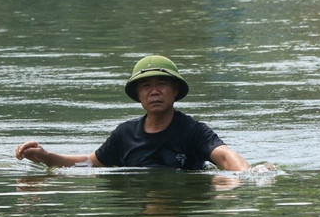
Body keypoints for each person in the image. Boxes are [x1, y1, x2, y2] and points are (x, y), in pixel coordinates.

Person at [15, 55, 250, 171]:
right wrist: (46, 156)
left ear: (175, 90)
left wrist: (246, 175)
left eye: (162, 84)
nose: (154, 91)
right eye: (146, 86)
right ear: (138, 94)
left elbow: (225, 155)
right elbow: (89, 163)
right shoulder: (125, 134)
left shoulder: (193, 131)